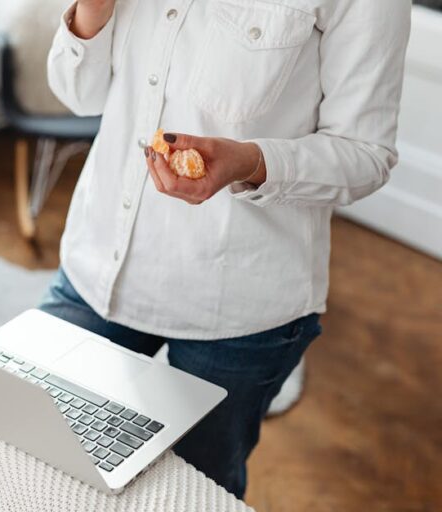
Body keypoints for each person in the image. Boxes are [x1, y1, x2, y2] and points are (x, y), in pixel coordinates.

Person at [39, 0, 411, 499]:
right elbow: (79, 96)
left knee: (194, 496)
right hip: (97, 266)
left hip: (238, 311)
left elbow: (366, 152)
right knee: (38, 457)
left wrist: (251, 162)